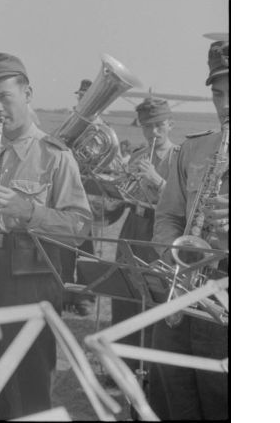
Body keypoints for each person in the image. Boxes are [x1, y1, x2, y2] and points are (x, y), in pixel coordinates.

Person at [0, 53, 92, 420]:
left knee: (26, 396)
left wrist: (27, 211)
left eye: (5, 97)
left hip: (32, 286)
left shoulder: (56, 157)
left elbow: (79, 227)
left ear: (28, 93)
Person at [150, 35, 229, 420]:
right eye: (218, 94)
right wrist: (174, 260)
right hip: (184, 293)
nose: (226, 105)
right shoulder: (193, 149)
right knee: (175, 391)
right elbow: (167, 216)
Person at [110, 97, 179, 417]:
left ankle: (153, 375)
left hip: (160, 233)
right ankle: (123, 372)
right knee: (125, 299)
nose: (153, 132)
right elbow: (120, 199)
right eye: (147, 126)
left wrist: (155, 180)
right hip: (133, 229)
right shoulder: (138, 155)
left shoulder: (180, 157)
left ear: (169, 124)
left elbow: (186, 201)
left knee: (155, 302)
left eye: (158, 125)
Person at [59, 78, 102, 317]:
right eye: (81, 96)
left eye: (87, 96)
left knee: (86, 251)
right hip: (66, 194)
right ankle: (65, 295)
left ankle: (85, 297)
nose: (82, 100)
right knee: (64, 248)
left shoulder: (101, 128)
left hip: (86, 194)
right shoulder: (70, 121)